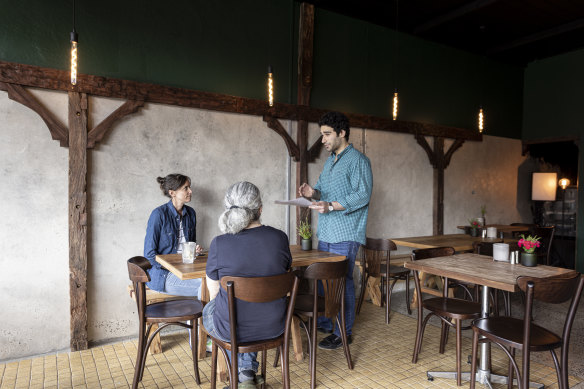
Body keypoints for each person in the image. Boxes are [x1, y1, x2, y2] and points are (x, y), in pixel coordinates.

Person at [203, 182, 291, 387]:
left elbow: (215, 292)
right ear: (260, 209)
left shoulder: (220, 243)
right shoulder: (280, 238)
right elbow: (285, 271)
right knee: (249, 311)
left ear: (229, 210)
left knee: (214, 310)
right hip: (275, 325)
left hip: (233, 330)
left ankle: (242, 377)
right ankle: (247, 375)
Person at [298, 111, 373, 350]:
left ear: (342, 133)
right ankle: (324, 321)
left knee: (342, 282)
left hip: (346, 233)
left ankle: (343, 333)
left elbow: (362, 195)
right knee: (322, 279)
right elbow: (322, 191)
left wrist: (330, 205)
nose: (323, 140)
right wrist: (313, 193)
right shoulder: (330, 161)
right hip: (327, 233)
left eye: (327, 134)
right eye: (322, 135)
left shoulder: (359, 161)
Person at [144, 173, 203, 297]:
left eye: (189, 187)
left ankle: (196, 316)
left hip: (186, 270)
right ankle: (197, 317)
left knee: (213, 280)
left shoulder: (191, 213)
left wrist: (195, 250)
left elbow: (189, 245)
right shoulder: (158, 214)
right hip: (163, 275)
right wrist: (173, 267)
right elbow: (149, 254)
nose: (190, 191)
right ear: (172, 193)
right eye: (185, 188)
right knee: (205, 287)